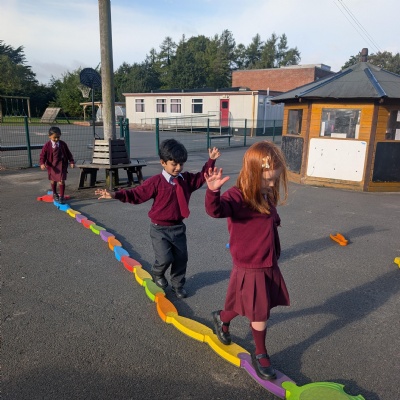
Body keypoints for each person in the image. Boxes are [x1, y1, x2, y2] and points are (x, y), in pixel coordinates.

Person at [204, 141, 290, 380]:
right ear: (253, 173)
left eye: (275, 179)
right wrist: (212, 192)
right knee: (259, 311)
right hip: (250, 264)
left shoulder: (265, 192)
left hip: (267, 261)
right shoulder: (237, 196)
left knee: (249, 303)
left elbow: (269, 218)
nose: (272, 184)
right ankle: (260, 352)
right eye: (268, 179)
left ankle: (221, 318)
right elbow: (216, 210)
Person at [96, 138, 221, 299]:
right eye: (174, 164)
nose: (178, 168)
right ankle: (157, 272)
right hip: (159, 229)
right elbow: (136, 194)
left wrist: (211, 160)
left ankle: (178, 285)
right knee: (165, 258)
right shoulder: (155, 182)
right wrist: (114, 194)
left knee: (181, 258)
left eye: (181, 164)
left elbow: (202, 176)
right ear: (163, 162)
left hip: (178, 227)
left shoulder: (185, 180)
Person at [40, 126, 75, 204]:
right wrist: (42, 163)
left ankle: (61, 196)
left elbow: (68, 154)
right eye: (54, 138)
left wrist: (71, 161)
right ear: (49, 136)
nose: (56, 139)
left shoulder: (63, 144)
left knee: (61, 181)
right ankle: (55, 194)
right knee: (53, 181)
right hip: (52, 166)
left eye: (58, 137)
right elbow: (43, 155)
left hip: (62, 165)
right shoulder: (47, 145)